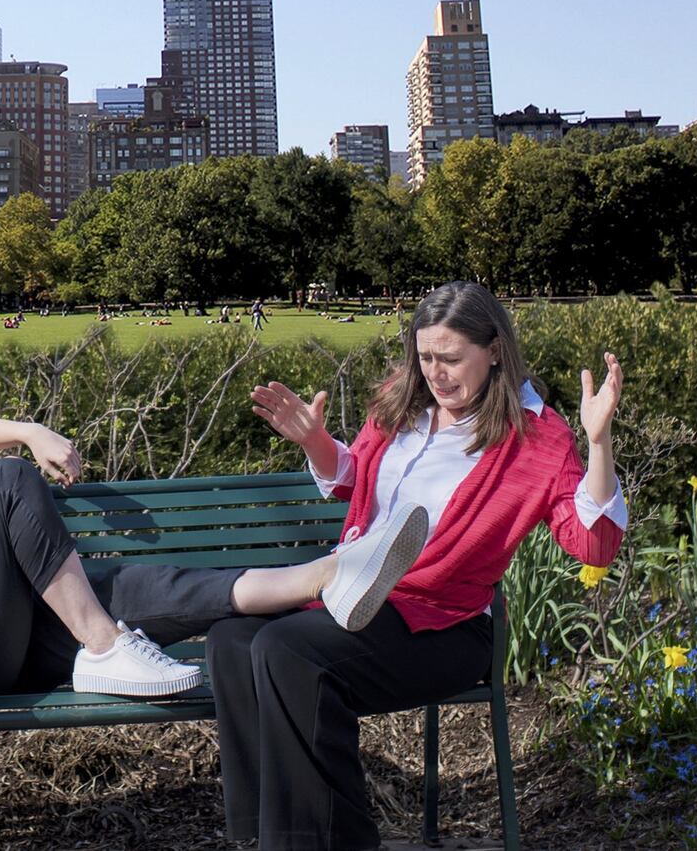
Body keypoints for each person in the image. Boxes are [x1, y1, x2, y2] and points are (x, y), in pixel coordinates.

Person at [0, 359, 424, 850]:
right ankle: (103, 646)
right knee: (10, 482)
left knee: (130, 586)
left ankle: (326, 575)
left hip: (5, 631)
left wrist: (30, 429)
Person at [208, 280, 627, 850]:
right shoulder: (400, 403)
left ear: (495, 349)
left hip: (444, 624)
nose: (436, 372)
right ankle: (270, 837)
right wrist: (315, 442)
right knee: (233, 640)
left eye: (451, 358)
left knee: (286, 652)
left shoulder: (536, 437)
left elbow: (594, 545)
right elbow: (352, 481)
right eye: (426, 356)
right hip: (352, 591)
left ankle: (329, 842)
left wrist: (598, 443)